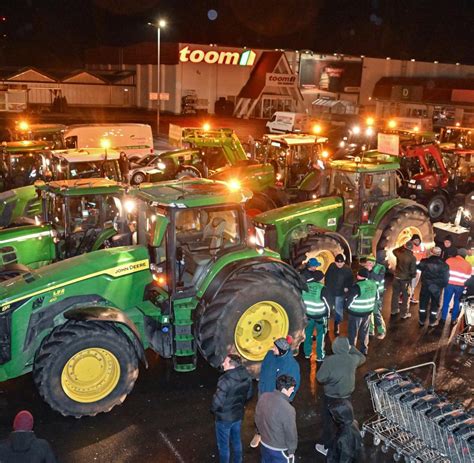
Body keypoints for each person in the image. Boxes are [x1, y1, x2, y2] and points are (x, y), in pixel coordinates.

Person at [315, 337, 366, 456]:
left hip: (331, 397)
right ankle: (350, 441)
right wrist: (351, 348)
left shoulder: (330, 361)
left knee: (328, 421)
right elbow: (362, 357)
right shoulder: (352, 359)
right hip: (346, 396)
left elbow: (320, 378)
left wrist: (330, 380)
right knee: (346, 420)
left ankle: (327, 446)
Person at [250, 337, 300, 448]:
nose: (272, 349)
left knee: (274, 420)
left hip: (277, 399)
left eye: (275, 348)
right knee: (260, 414)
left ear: (281, 351)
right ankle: (258, 433)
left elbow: (293, 386)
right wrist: (261, 385)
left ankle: (271, 438)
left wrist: (286, 400)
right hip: (263, 392)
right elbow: (263, 368)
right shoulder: (270, 355)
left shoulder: (291, 366)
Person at [211, 354, 253, 463]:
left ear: (232, 366)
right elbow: (249, 395)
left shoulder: (225, 380)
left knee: (224, 446)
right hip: (237, 415)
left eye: (225, 362)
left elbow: (217, 402)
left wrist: (214, 410)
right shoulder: (247, 375)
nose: (223, 364)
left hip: (224, 418)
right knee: (236, 441)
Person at [255, 374, 298, 463]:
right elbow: (291, 433)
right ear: (284, 389)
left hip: (264, 444)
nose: (293, 391)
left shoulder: (264, 397)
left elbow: (257, 418)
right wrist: (291, 450)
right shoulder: (288, 409)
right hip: (279, 450)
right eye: (291, 389)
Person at [301, 257, 331, 361]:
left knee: (308, 334)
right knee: (320, 336)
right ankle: (320, 356)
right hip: (319, 317)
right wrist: (328, 315)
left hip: (308, 316)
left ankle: (307, 353)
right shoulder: (322, 288)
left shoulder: (305, 286)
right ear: (320, 279)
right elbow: (327, 304)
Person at [345, 268, 378, 355]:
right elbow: (377, 297)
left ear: (359, 275)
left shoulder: (357, 287)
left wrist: (346, 308)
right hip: (367, 313)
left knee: (353, 332)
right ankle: (364, 349)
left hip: (356, 313)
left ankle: (352, 350)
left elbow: (349, 301)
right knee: (364, 331)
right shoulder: (373, 284)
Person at [417, 246, 450, 327]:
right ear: (440, 254)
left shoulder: (424, 261)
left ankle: (422, 320)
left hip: (425, 286)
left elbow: (418, 267)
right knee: (434, 305)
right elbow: (446, 278)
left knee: (423, 304)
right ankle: (432, 321)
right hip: (436, 288)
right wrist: (442, 286)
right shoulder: (445, 265)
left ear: (431, 252)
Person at [441, 248, 472, 325]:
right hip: (460, 286)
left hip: (449, 285)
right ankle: (453, 319)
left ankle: (443, 318)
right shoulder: (468, 265)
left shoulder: (449, 260)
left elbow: (443, 272)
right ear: (465, 255)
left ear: (457, 253)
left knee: (446, 302)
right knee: (457, 302)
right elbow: (468, 278)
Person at [325, 254, 353, 335]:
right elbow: (327, 278)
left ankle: (336, 325)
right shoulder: (331, 267)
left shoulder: (347, 270)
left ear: (344, 263)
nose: (339, 264)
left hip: (340, 293)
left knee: (338, 309)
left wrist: (347, 287)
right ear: (335, 262)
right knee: (328, 308)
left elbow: (350, 279)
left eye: (341, 263)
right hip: (330, 291)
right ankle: (326, 325)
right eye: (338, 263)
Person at [360, 255, 386, 339]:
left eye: (370, 263)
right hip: (369, 293)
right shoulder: (365, 268)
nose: (368, 265)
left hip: (377, 294)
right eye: (367, 263)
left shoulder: (381, 268)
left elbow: (379, 278)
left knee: (376, 312)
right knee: (369, 312)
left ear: (374, 263)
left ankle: (381, 331)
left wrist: (370, 271)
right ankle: (371, 330)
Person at [391, 241, 417, 319]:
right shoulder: (412, 258)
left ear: (405, 246)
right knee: (406, 296)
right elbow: (413, 271)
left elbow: (394, 250)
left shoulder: (399, 253)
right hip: (405, 279)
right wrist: (413, 276)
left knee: (395, 294)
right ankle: (404, 313)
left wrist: (402, 246)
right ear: (412, 248)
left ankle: (394, 310)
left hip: (396, 277)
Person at [409, 234, 427, 304]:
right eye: (415, 240)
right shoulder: (409, 245)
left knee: (414, 283)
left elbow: (424, 258)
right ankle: (407, 296)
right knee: (409, 283)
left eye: (418, 240)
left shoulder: (422, 247)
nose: (417, 241)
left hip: (418, 268)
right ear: (412, 240)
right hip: (410, 268)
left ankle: (410, 296)